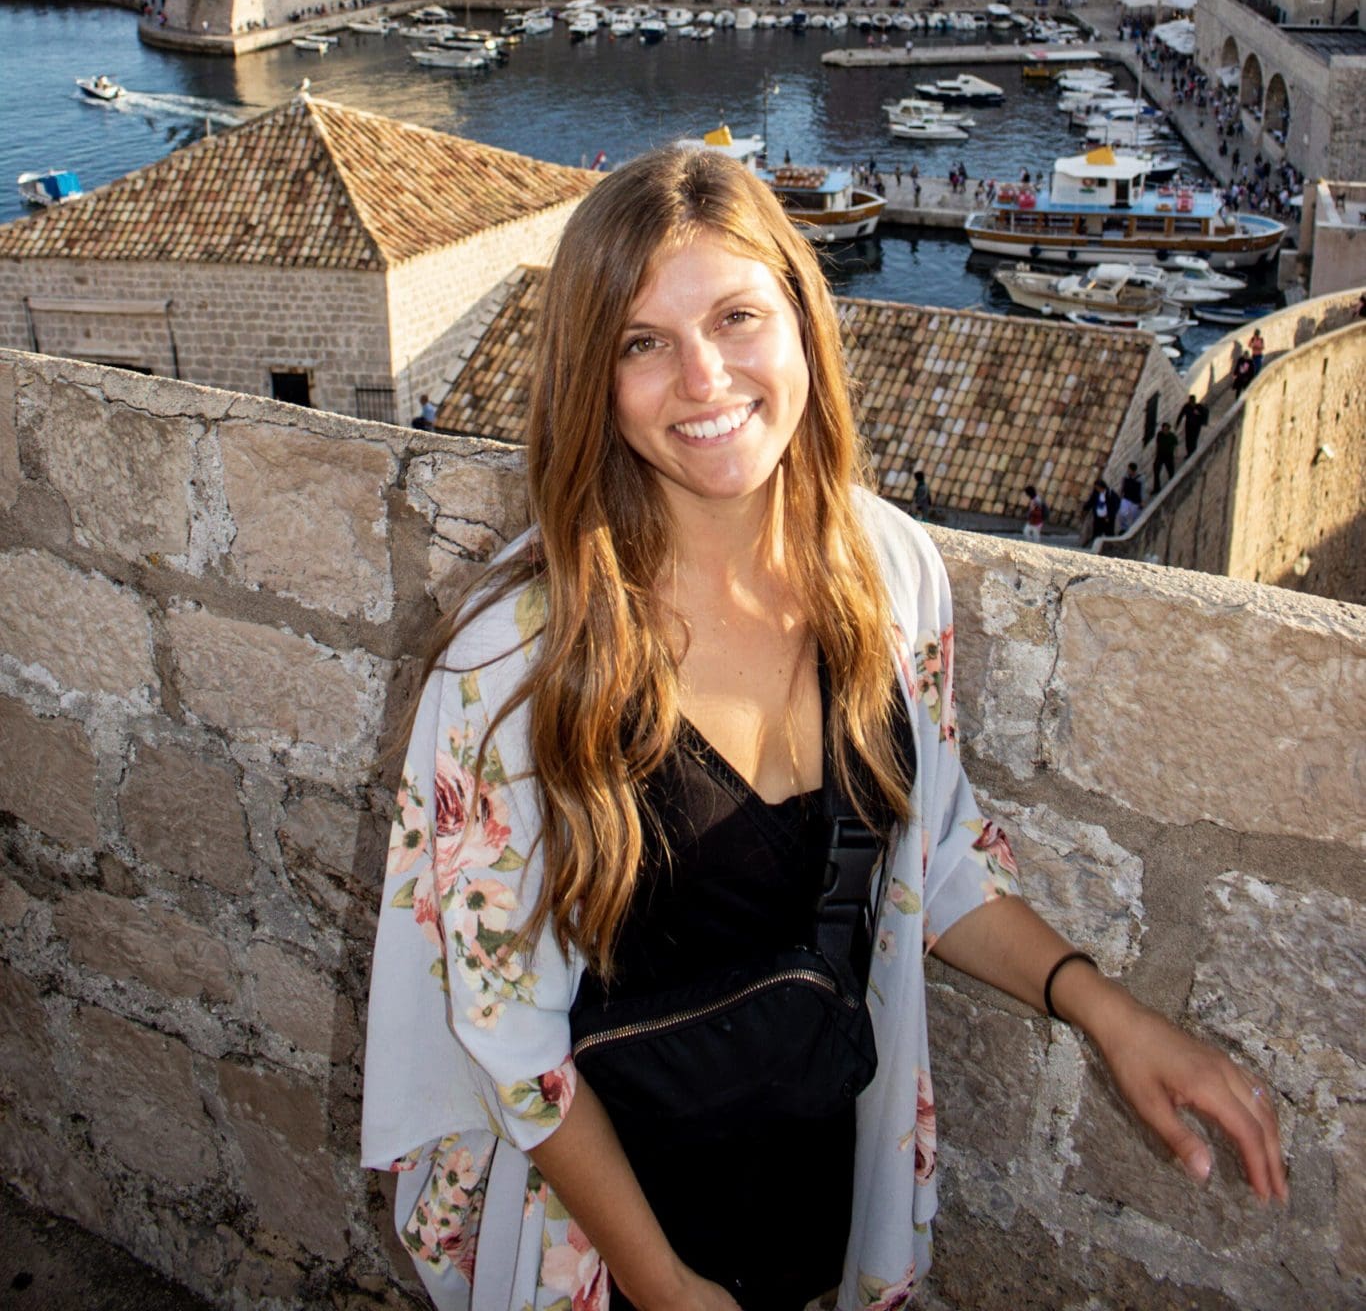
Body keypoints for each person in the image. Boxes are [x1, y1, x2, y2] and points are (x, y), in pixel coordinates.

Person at [362, 149, 1284, 1311]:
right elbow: (506, 1030)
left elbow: (929, 858)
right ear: (593, 374)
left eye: (737, 316)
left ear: (803, 319)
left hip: (827, 1210)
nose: (703, 378)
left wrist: (1108, 1009)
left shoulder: (890, 575)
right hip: (607, 1246)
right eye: (642, 340)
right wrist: (664, 1286)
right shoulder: (518, 656)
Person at [1085, 475, 1116, 540]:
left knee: (1109, 533)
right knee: (1096, 532)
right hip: (1098, 517)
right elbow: (1091, 501)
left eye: (1097, 487)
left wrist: (1110, 515)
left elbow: (1114, 505)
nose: (1096, 489)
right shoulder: (1096, 493)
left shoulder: (1110, 493)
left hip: (1107, 518)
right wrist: (1085, 508)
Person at [1153, 421, 1179, 494]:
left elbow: (1176, 445)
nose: (1164, 431)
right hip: (1160, 455)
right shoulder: (1159, 434)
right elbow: (1157, 444)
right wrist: (1155, 452)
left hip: (1168, 456)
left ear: (1168, 430)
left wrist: (1176, 455)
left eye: (1166, 430)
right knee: (1156, 470)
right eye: (1163, 429)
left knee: (1170, 471)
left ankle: (1172, 486)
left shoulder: (1172, 436)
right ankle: (1156, 488)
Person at [1117, 464, 1144, 531]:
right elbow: (1122, 486)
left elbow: (1142, 490)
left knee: (1135, 517)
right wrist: (1120, 495)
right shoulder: (1126, 477)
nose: (1128, 470)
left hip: (1135, 501)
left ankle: (1136, 529)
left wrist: (1142, 501)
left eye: (1129, 469)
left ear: (1132, 470)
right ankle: (1124, 528)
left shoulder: (1140, 478)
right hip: (1126, 498)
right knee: (1122, 513)